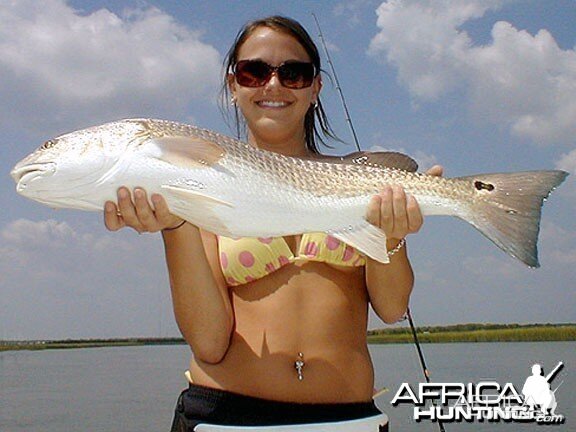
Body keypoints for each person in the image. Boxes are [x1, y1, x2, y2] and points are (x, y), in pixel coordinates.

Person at [104, 15, 442, 431]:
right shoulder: (196, 187)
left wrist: (393, 234)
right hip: (224, 417)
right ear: (234, 87)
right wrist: (176, 227)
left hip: (347, 419)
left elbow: (391, 309)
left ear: (316, 88)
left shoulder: (362, 184)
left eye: (294, 73)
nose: (273, 85)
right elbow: (209, 343)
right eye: (255, 71)